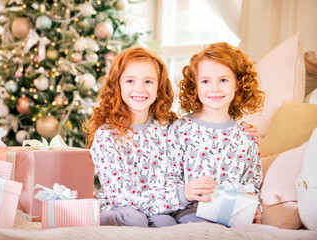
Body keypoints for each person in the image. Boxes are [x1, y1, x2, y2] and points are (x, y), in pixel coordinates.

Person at [86, 47, 260, 228]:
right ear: (117, 85)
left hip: (161, 209)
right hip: (121, 208)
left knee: (166, 222)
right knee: (135, 219)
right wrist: (181, 194)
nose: (140, 89)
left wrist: (245, 132)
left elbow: (211, 134)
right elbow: (121, 196)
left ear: (159, 86)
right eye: (130, 81)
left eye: (148, 81)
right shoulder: (107, 136)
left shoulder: (166, 127)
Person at [168, 42, 265, 225]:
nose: (214, 88)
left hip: (234, 214)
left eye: (223, 80)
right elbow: (169, 179)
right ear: (195, 86)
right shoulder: (180, 130)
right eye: (205, 81)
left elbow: (252, 184)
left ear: (238, 84)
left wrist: (255, 209)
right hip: (190, 213)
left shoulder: (246, 137)